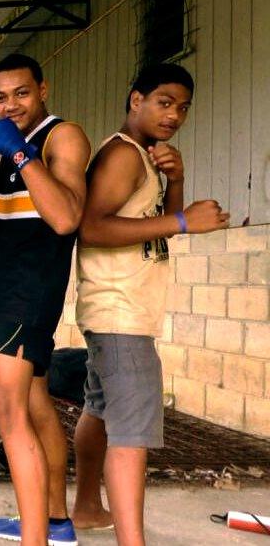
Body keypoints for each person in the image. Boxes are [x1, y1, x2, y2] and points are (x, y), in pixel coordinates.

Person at [70, 63, 227, 546]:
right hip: (119, 313)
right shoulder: (122, 156)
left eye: (183, 107)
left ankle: (88, 508)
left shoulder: (142, 155)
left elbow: (146, 233)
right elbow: (92, 229)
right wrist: (182, 219)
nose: (175, 115)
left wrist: (175, 186)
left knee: (100, 412)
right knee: (132, 435)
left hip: (117, 312)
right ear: (135, 99)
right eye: (164, 102)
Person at [0, 53, 90, 546]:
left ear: (43, 89)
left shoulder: (63, 136)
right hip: (8, 284)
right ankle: (53, 521)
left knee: (7, 410)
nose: (10, 104)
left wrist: (19, 154)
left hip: (29, 290)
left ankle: (34, 536)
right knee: (35, 404)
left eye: (21, 93)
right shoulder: (13, 143)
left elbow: (64, 218)